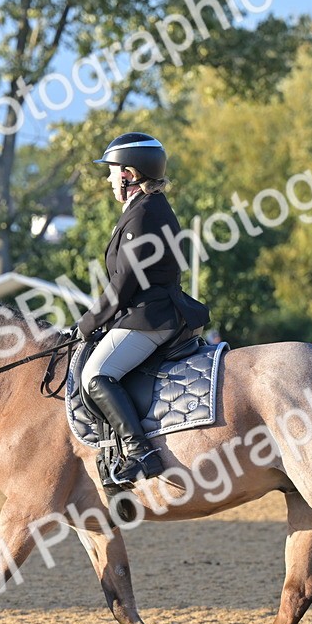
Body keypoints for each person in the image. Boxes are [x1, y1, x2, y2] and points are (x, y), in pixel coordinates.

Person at [76, 132, 210, 485]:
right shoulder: (146, 208)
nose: (108, 179)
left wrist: (87, 323)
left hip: (150, 317)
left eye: (112, 171)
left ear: (129, 174)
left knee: (95, 375)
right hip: (146, 312)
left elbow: (124, 283)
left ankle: (141, 452)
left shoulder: (145, 215)